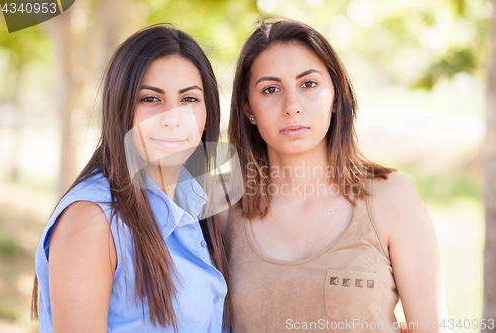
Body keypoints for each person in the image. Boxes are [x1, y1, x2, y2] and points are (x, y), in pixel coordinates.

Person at [224, 18, 449, 332]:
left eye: (309, 84)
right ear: (248, 107)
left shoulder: (391, 198)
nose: (292, 106)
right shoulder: (220, 205)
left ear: (335, 96)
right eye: (271, 89)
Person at [32, 24, 231, 333]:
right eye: (151, 99)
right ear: (121, 107)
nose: (173, 118)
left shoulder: (199, 201)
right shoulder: (92, 219)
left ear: (208, 111)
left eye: (189, 100)